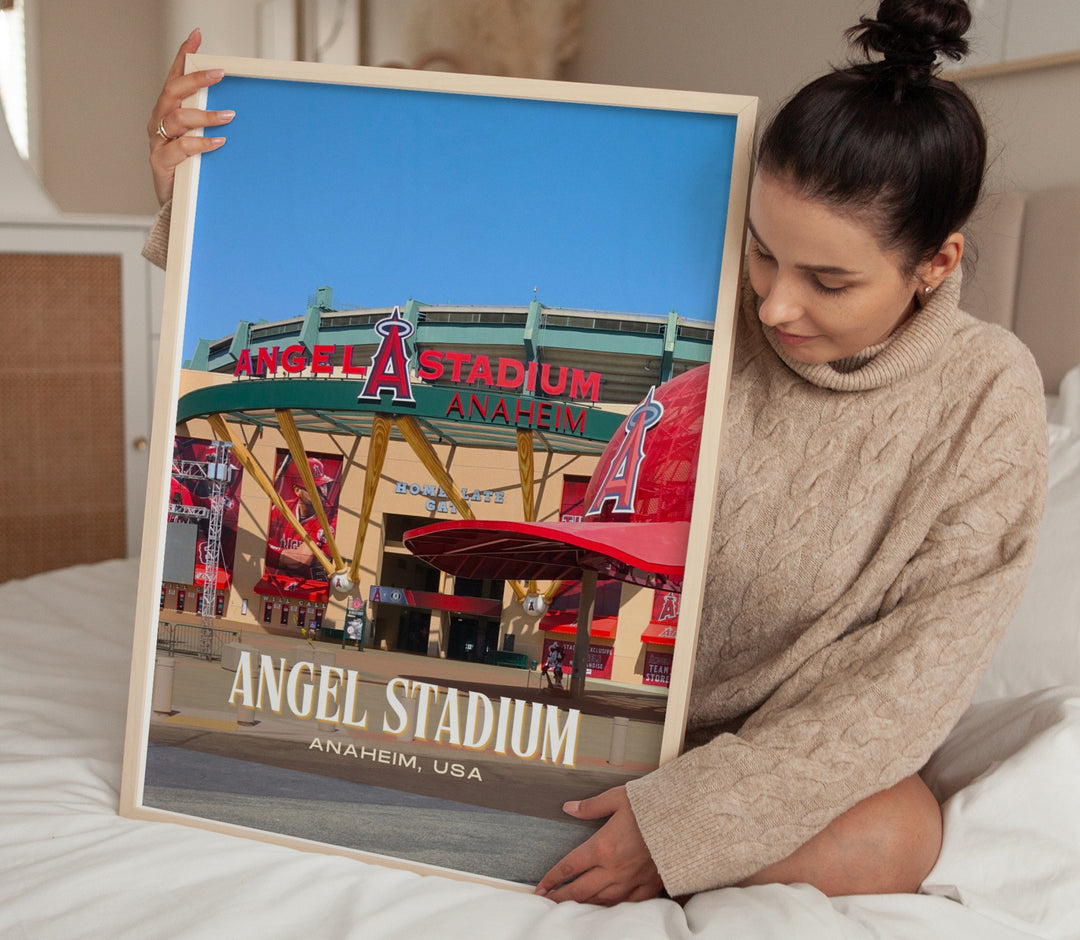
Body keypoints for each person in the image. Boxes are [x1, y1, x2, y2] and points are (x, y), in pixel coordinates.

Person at [144, 0, 1048, 906]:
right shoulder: (710, 316)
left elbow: (909, 685)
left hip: (776, 755)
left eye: (830, 280)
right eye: (765, 254)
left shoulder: (985, 397)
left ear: (936, 263)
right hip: (597, 720)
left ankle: (595, 840)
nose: (774, 306)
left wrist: (691, 824)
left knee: (899, 834)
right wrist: (193, 205)